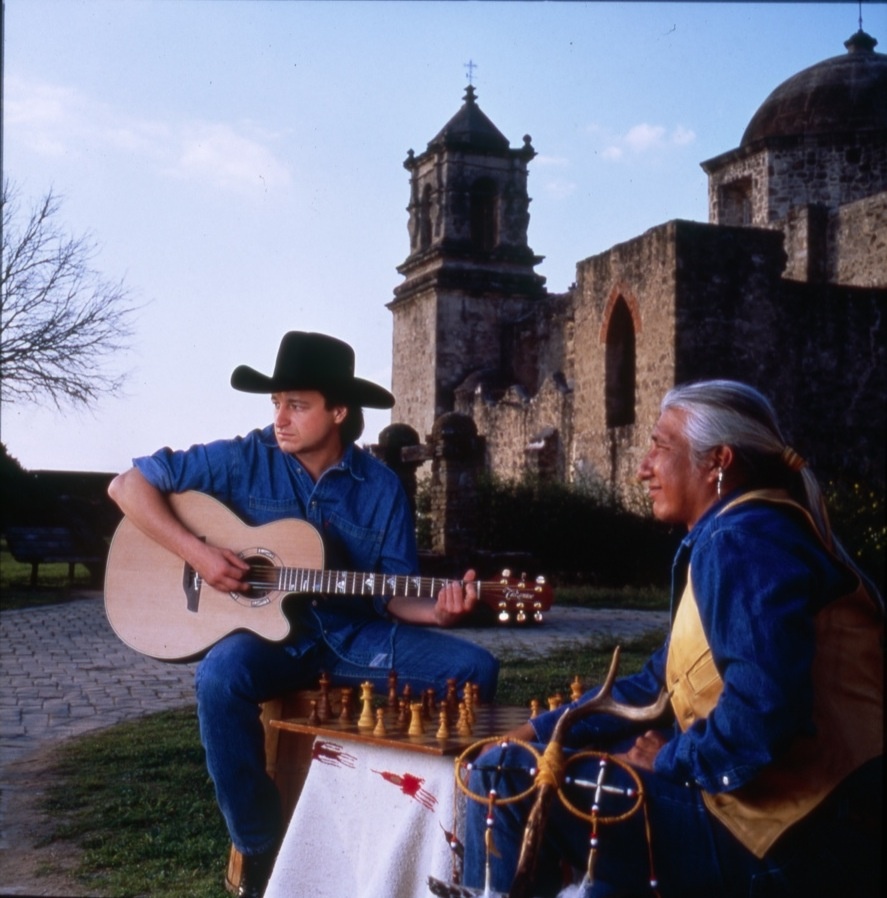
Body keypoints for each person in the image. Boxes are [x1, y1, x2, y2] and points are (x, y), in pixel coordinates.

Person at [108, 331, 498, 898]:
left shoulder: (381, 487)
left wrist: (440, 612)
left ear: (338, 411)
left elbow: (390, 591)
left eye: (296, 404)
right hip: (269, 642)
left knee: (476, 669)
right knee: (219, 677)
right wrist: (200, 554)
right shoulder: (245, 458)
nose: (280, 418)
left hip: (352, 637)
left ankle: (436, 849)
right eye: (276, 403)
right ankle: (262, 852)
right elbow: (128, 485)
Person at [462, 379, 882, 898]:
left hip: (793, 845)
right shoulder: (751, 528)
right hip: (812, 830)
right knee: (542, 763)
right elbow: (653, 686)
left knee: (503, 778)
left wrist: (667, 758)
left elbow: (764, 716)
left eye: (660, 446)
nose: (644, 467)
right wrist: (538, 733)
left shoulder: (740, 541)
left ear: (718, 461)